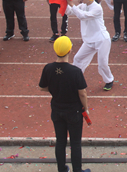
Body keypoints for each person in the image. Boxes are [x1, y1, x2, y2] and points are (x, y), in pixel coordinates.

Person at [38, 36, 91, 172]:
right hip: (74, 111)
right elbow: (82, 93)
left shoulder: (48, 68)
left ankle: (62, 169)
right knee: (75, 142)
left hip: (57, 109)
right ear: (70, 50)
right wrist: (86, 108)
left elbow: (43, 87)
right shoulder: (75, 71)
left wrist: (56, 89)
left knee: (60, 141)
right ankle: (77, 170)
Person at [66, 0, 114, 91]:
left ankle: (109, 80)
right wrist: (64, 3)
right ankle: (75, 79)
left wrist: (71, 4)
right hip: (89, 40)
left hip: (102, 40)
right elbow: (70, 12)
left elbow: (82, 16)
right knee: (78, 59)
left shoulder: (97, 8)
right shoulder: (83, 5)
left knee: (102, 63)